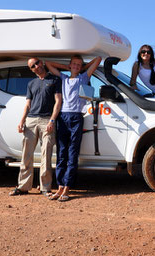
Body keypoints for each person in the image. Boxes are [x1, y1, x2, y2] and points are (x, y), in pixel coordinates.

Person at [45, 55, 102, 202]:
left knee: (72, 153)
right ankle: (59, 187)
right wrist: (67, 67)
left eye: (79, 64)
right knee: (61, 153)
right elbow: (48, 63)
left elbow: (98, 59)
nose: (76, 66)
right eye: (74, 64)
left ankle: (67, 187)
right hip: (63, 117)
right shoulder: (63, 77)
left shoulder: (83, 77)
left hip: (76, 117)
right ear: (70, 65)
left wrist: (83, 67)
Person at [10, 58, 62, 197]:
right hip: (31, 121)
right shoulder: (31, 84)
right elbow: (28, 104)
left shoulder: (55, 80)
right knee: (26, 154)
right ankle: (23, 186)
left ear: (42, 63)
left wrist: (52, 120)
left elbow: (58, 101)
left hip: (47, 121)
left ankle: (45, 188)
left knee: (46, 154)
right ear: (31, 70)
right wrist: (22, 121)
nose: (37, 66)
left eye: (37, 63)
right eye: (33, 66)